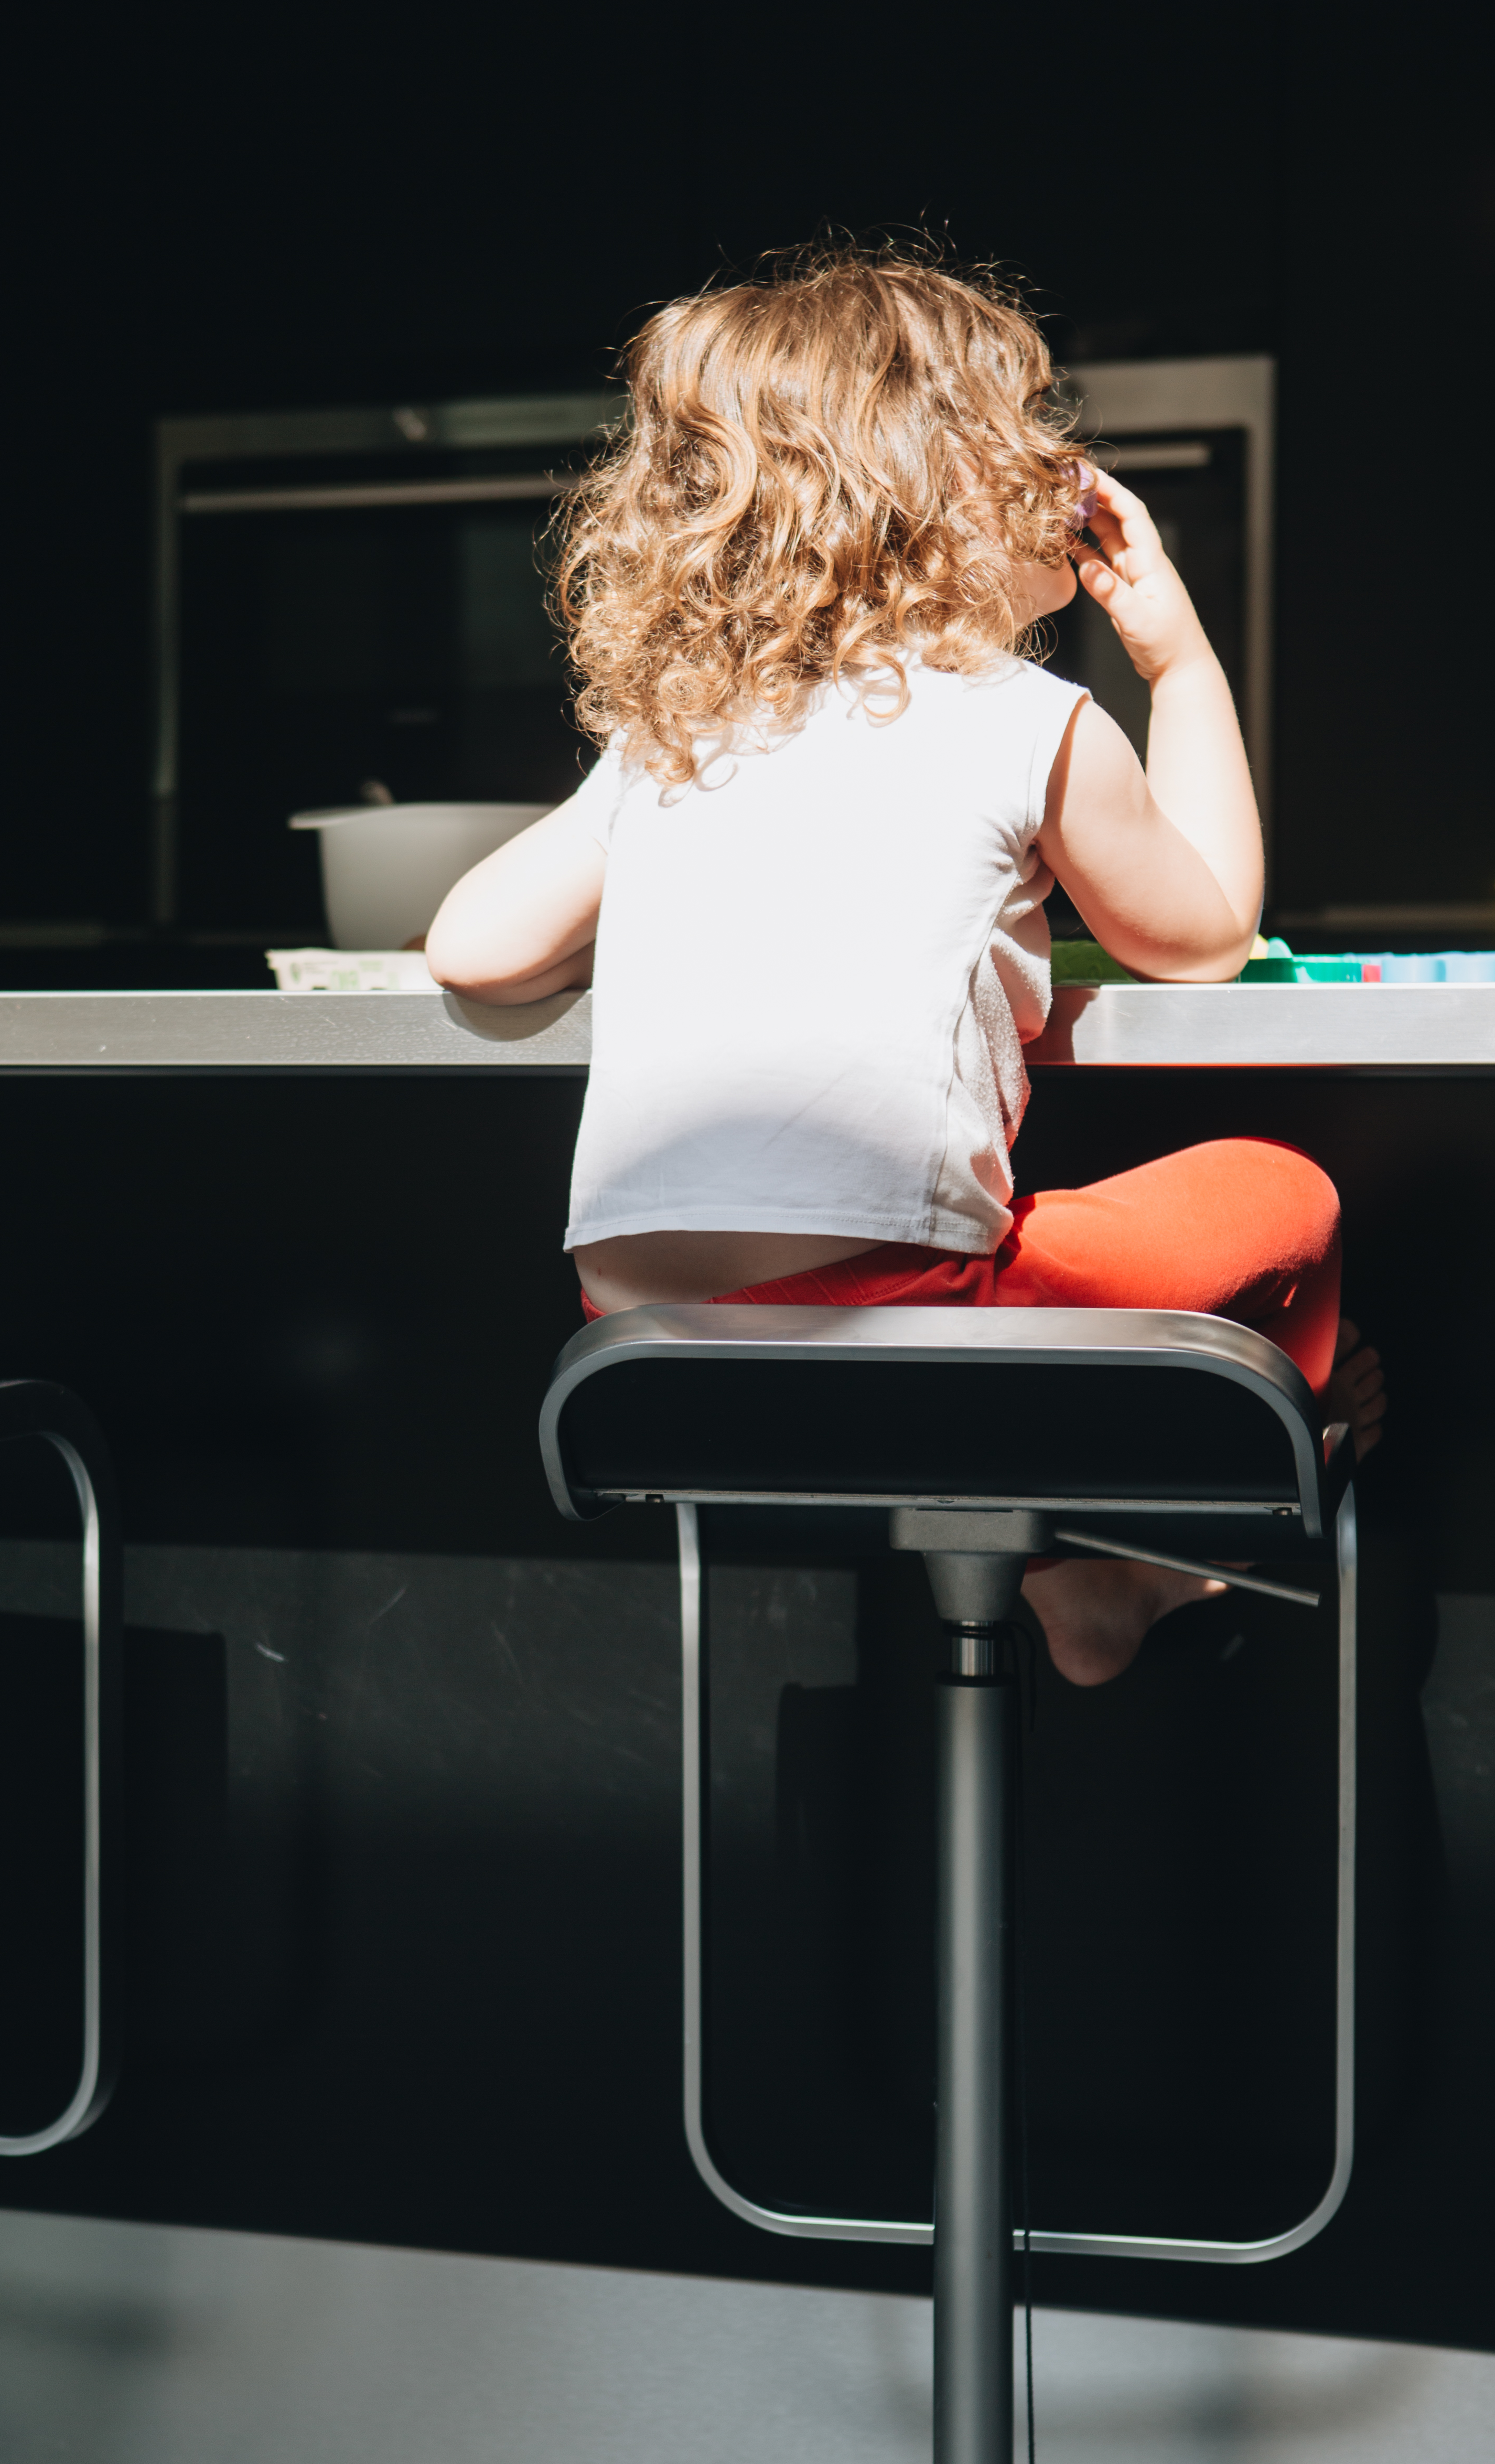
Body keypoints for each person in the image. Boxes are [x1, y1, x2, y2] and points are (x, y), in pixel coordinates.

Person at [425, 250, 1384, 1684]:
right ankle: (1134, 1546)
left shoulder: (675, 738)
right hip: (898, 1319)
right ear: (955, 495)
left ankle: (1068, 1576)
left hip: (637, 1351)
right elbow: (1204, 939)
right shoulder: (1028, 722)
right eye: (1035, 437)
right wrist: (1178, 665)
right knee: (1283, 1194)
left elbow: (472, 949)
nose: (1067, 473)